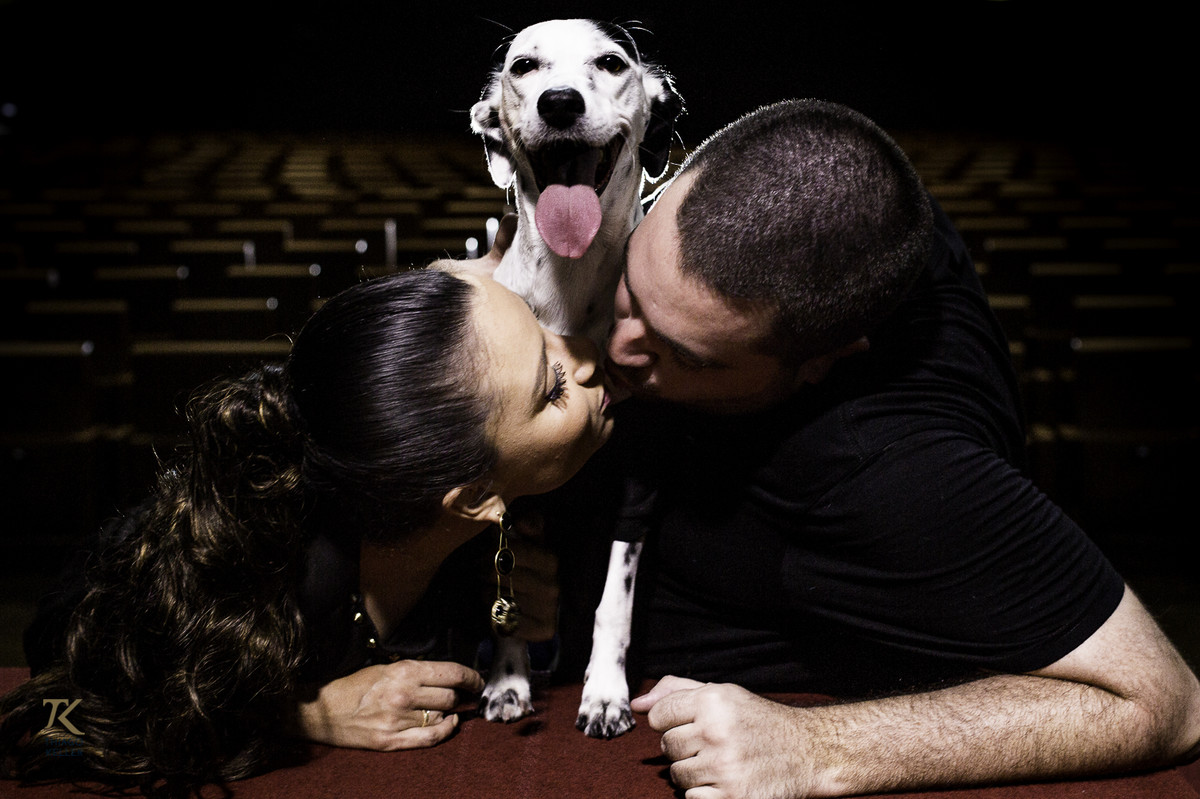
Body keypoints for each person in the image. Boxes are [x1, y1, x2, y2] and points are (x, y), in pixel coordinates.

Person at [565, 98, 1200, 797]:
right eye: (631, 288)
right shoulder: (854, 206)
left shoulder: (892, 471)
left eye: (677, 352)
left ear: (820, 361)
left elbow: (1165, 701)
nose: (617, 344)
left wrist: (818, 745)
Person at [0, 254, 615, 796]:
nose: (587, 356)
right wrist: (304, 715)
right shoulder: (258, 560)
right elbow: (55, 699)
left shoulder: (469, 497)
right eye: (553, 387)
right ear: (472, 496)